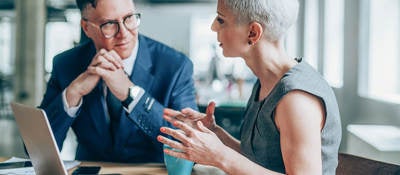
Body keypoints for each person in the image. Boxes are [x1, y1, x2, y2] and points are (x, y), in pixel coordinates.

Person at [157, 0, 342, 174]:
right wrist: (215, 134)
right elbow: (260, 161)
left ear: (253, 33)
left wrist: (220, 156)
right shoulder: (266, 81)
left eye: (221, 20)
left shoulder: (296, 98)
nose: (213, 26)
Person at [39, 0, 197, 163]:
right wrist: (73, 93)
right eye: (109, 24)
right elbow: (38, 151)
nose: (124, 33)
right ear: (86, 28)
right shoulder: (66, 65)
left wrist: (131, 95)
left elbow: (188, 144)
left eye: (129, 18)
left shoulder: (175, 66)